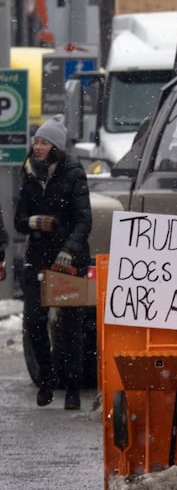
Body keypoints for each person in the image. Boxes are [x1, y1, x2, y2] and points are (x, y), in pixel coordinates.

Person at [15, 114, 92, 410]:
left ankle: (72, 387)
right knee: (34, 321)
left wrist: (69, 249)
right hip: (38, 259)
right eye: (36, 141)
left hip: (68, 259)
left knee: (71, 325)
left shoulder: (73, 172)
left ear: (56, 146)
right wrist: (33, 221)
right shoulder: (29, 172)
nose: (37, 147)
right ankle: (47, 378)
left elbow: (84, 219)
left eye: (44, 142)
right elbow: (19, 221)